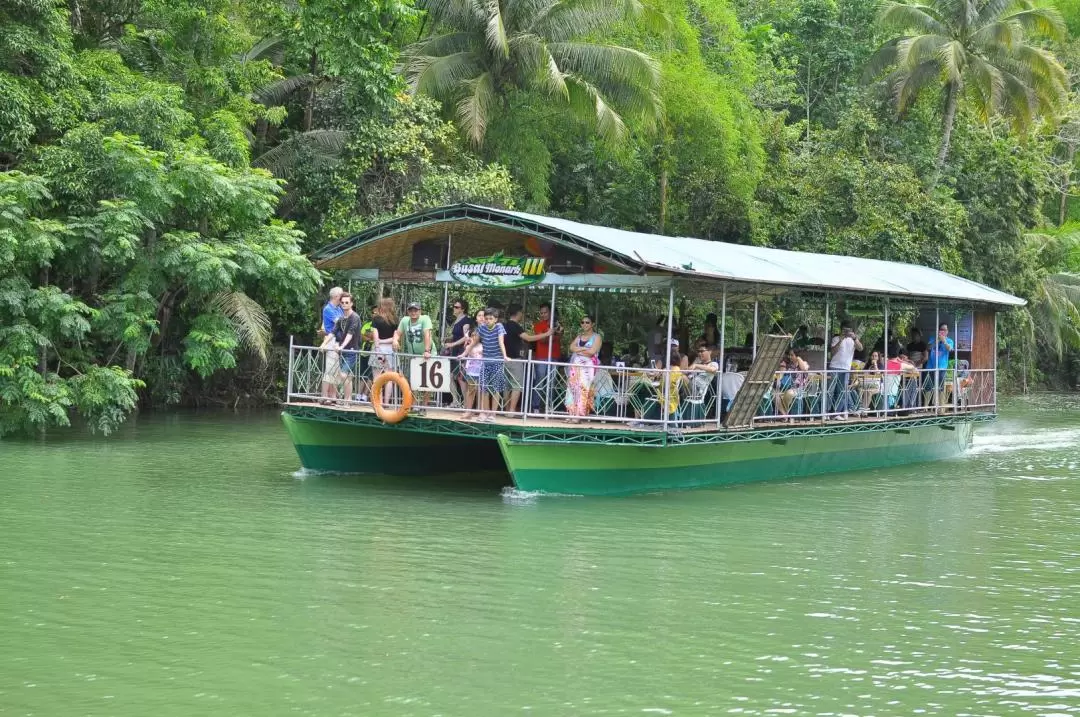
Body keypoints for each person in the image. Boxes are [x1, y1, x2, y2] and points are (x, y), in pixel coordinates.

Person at [319, 292, 361, 405]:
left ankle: (348, 400)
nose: (344, 304)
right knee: (345, 375)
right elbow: (333, 332)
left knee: (344, 374)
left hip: (351, 350)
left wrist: (342, 346)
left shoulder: (355, 317)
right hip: (342, 351)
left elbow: (350, 334)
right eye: (342, 302)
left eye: (347, 302)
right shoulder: (342, 318)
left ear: (351, 303)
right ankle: (346, 400)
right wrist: (324, 344)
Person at [471, 307, 510, 423]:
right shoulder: (481, 328)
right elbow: (474, 342)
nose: (487, 320)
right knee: (484, 389)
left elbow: (501, 342)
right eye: (486, 318)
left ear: (496, 319)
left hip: (497, 361)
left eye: (490, 318)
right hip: (485, 362)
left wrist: (505, 356)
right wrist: (464, 353)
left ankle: (493, 413)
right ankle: (484, 412)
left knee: (496, 389)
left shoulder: (499, 327)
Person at [566, 315, 602, 422]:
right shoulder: (579, 336)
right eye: (582, 322)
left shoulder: (597, 337)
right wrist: (583, 348)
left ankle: (578, 415)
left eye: (587, 322)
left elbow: (592, 352)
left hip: (588, 367)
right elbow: (571, 347)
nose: (584, 324)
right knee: (572, 388)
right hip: (576, 365)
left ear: (592, 324)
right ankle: (571, 413)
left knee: (583, 388)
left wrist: (578, 350)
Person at [529, 303, 561, 413]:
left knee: (551, 382)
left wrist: (552, 333)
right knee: (539, 382)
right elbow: (541, 340)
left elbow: (561, 334)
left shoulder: (557, 324)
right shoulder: (538, 325)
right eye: (541, 313)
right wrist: (551, 334)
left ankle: (549, 406)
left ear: (551, 312)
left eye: (545, 312)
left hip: (554, 356)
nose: (543, 315)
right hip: (541, 357)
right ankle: (536, 406)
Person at [828, 321, 862, 420]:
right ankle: (826, 411)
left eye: (848, 330)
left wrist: (855, 338)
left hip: (846, 368)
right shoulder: (836, 338)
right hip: (834, 367)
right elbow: (832, 352)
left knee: (842, 391)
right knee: (830, 390)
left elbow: (860, 348)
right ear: (841, 329)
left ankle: (836, 413)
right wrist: (841, 339)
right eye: (844, 330)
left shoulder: (853, 340)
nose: (846, 332)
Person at [370, 298, 398, 405]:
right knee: (389, 377)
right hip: (390, 349)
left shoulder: (376, 319)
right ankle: (386, 402)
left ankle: (378, 402)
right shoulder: (395, 320)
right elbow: (395, 338)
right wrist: (385, 341)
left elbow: (375, 336)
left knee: (377, 377)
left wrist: (378, 346)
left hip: (378, 349)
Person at [319, 286, 345, 401]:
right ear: (336, 297)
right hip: (331, 340)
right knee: (329, 369)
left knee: (336, 369)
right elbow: (340, 323)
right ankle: (324, 396)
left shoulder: (339, 308)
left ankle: (333, 395)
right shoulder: (328, 309)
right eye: (341, 296)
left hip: (338, 341)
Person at [925, 322, 955, 406]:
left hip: (942, 368)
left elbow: (950, 349)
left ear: (947, 331)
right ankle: (925, 407)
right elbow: (928, 348)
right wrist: (937, 341)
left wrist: (944, 341)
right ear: (938, 330)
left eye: (945, 330)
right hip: (931, 367)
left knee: (941, 388)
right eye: (941, 329)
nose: (943, 331)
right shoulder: (932, 338)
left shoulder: (949, 341)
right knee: (928, 387)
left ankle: (941, 407)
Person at [460, 319, 483, 420]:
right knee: (471, 391)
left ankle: (481, 411)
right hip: (471, 371)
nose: (474, 337)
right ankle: (468, 410)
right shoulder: (469, 346)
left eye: (476, 335)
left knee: (482, 391)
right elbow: (466, 352)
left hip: (481, 371)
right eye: (472, 335)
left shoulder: (483, 346)